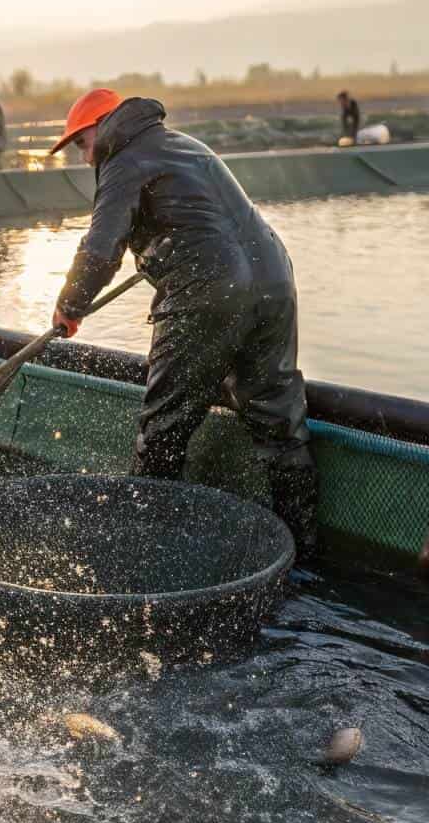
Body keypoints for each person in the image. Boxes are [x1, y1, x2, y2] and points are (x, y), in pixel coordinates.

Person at [48, 88, 319, 558]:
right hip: (274, 279)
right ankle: (303, 552)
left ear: (103, 127)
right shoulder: (187, 145)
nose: (82, 154)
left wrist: (69, 306)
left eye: (80, 143)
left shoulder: (122, 159)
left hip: (206, 290)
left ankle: (146, 553)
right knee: (280, 424)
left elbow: (100, 248)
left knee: (163, 430)